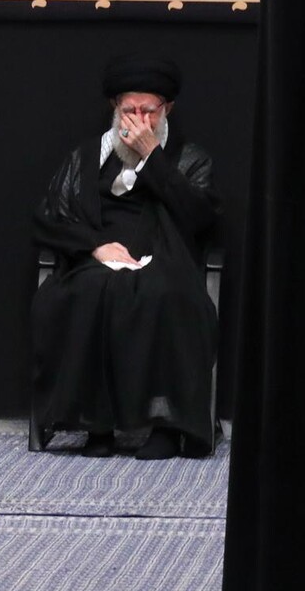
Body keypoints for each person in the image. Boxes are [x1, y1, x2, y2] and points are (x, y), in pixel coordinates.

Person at [30, 55, 220, 459]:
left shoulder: (190, 158)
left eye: (148, 111)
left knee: (160, 294)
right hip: (96, 258)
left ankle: (166, 427)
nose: (139, 121)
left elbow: (200, 218)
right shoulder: (86, 157)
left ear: (167, 109)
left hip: (163, 258)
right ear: (115, 108)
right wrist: (95, 246)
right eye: (129, 110)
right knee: (89, 291)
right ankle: (96, 425)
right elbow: (48, 218)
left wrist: (153, 158)